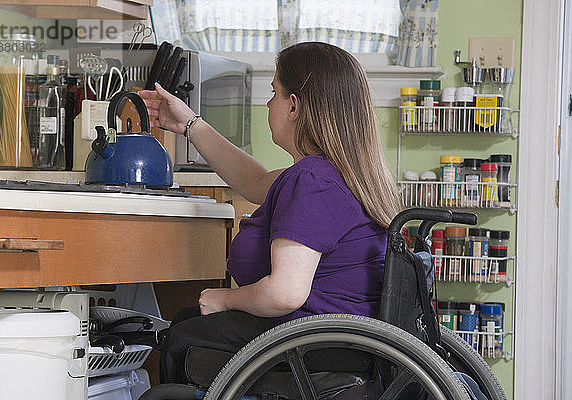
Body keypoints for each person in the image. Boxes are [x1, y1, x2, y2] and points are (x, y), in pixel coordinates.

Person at [139, 41, 402, 384]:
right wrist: (190, 124)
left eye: (274, 92)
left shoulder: (314, 179)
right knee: (189, 317)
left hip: (314, 340)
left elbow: (285, 292)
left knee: (183, 339)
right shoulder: (345, 172)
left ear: (294, 106)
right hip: (345, 338)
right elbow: (255, 181)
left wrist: (227, 299)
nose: (268, 102)